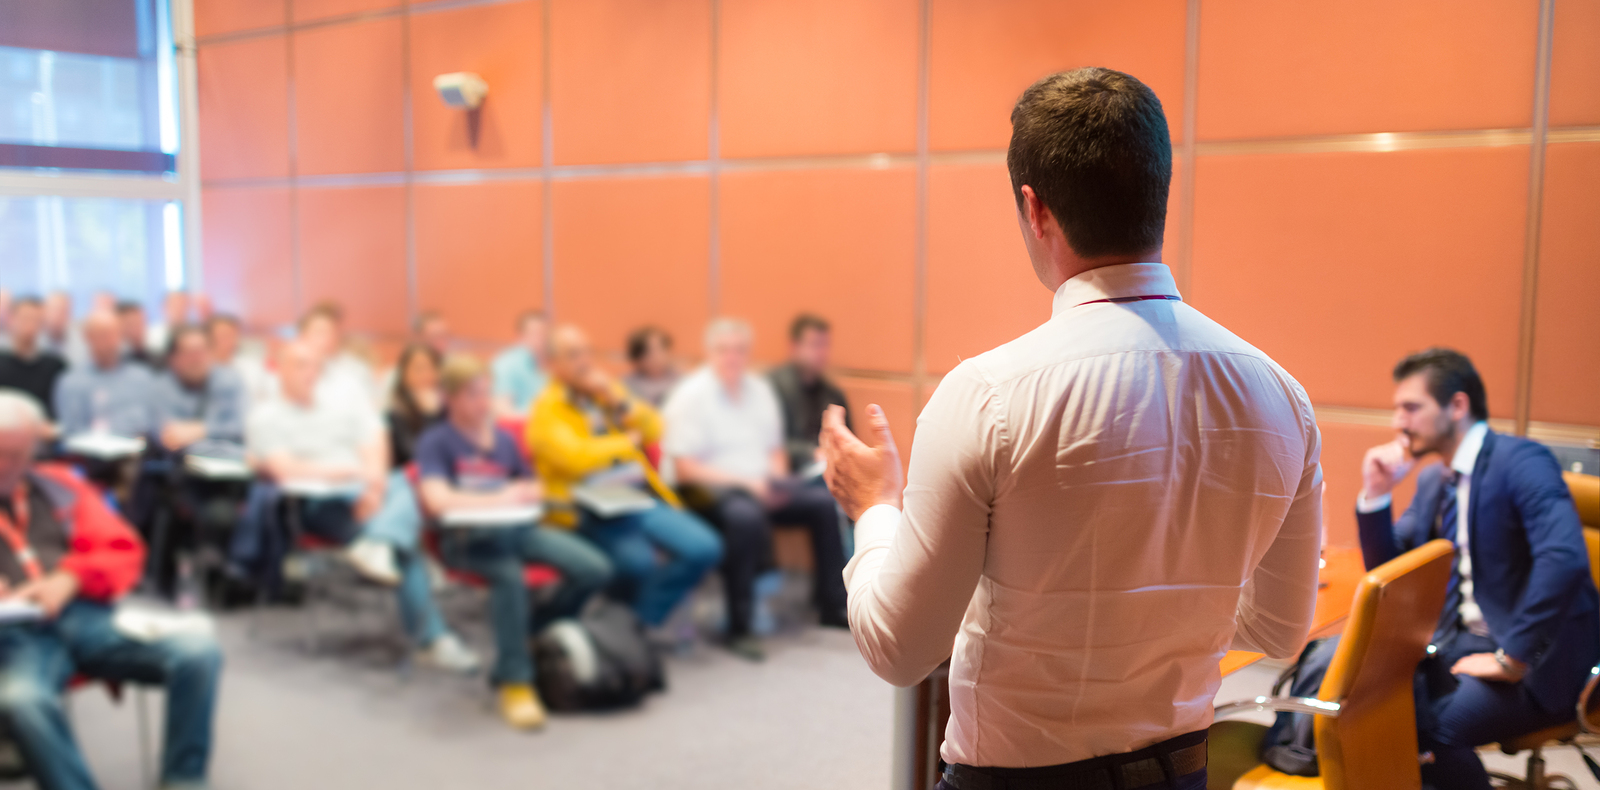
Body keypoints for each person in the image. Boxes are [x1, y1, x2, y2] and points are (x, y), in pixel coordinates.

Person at [819, 68, 1322, 790]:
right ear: (1159, 192)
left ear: (1036, 208)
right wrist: (1159, 627)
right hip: (1181, 773)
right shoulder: (1282, 396)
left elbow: (898, 650)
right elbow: (1279, 628)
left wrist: (874, 509)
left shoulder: (986, 396)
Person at [1355, 349, 1598, 790]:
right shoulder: (1435, 480)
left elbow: (1563, 558)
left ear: (1457, 406)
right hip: (1463, 640)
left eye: (1411, 407)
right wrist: (1376, 494)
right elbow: (1391, 573)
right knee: (1375, 700)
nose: (1398, 423)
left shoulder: (1521, 461)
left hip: (1541, 655)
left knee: (1438, 729)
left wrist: (1513, 658)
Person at [0, 389, 223, 790]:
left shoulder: (59, 486)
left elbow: (123, 550)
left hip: (83, 615)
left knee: (198, 652)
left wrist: (71, 577)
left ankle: (183, 779)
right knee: (22, 701)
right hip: (15, 636)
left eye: (16, 455)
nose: (5, 465)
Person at [417, 355, 612, 730]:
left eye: (485, 393)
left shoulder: (504, 439)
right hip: (467, 540)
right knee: (509, 578)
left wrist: (527, 491)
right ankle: (515, 681)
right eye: (473, 395)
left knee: (594, 569)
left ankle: (527, 637)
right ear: (450, 399)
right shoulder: (437, 441)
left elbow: (532, 484)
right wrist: (502, 497)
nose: (482, 402)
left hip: (517, 531)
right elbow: (437, 500)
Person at [662, 318, 849, 661]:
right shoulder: (691, 396)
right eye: (724, 350)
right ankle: (740, 625)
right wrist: (750, 485)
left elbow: (774, 449)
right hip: (706, 490)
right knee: (745, 517)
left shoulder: (759, 391)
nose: (732, 357)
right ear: (710, 353)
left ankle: (833, 604)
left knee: (822, 503)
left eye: (739, 350)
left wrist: (776, 480)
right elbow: (685, 468)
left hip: (758, 483)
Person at [528, 325, 721, 634]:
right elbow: (576, 458)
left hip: (634, 496)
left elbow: (656, 428)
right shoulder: (547, 409)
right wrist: (626, 443)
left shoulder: (607, 392)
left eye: (588, 352)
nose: (585, 362)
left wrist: (617, 402)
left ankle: (636, 622)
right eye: (574, 355)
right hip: (587, 508)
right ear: (553, 364)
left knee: (704, 547)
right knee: (638, 564)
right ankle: (618, 628)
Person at [345, 343, 482, 673]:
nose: (424, 375)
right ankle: (433, 639)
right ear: (403, 375)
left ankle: (380, 540)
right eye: (417, 369)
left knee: (409, 494)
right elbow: (415, 457)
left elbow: (464, 454)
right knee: (410, 487)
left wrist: (438, 414)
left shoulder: (458, 409)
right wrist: (432, 417)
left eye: (430, 368)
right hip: (410, 493)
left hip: (453, 493)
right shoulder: (394, 413)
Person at [232, 341, 385, 589]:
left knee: (403, 482)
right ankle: (380, 542)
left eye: (316, 367)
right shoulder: (266, 415)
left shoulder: (334, 409)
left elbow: (367, 443)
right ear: (280, 369)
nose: (310, 373)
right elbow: (284, 468)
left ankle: (379, 543)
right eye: (301, 366)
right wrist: (348, 472)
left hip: (362, 494)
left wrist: (374, 488)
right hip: (313, 503)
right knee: (400, 536)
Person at [52, 311, 157, 439]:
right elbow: (72, 430)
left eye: (112, 334)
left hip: (139, 452)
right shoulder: (70, 382)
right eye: (100, 335)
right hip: (88, 454)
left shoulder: (142, 378)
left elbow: (154, 423)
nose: (107, 341)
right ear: (87, 337)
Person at [768, 314, 849, 475]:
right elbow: (763, 442)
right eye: (814, 345)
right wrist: (810, 453)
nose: (821, 352)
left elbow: (848, 441)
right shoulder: (771, 388)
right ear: (794, 347)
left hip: (825, 475)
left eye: (825, 345)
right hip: (786, 477)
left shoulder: (833, 395)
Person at [296, 302, 377, 406]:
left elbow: (370, 406)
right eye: (319, 332)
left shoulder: (356, 369)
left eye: (330, 332)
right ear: (303, 336)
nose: (325, 338)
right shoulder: (291, 369)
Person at [0, 297, 67, 423]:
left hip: (43, 435)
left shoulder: (55, 366)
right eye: (24, 318)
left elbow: (60, 411)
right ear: (11, 320)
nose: (29, 325)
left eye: (36, 320)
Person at [492, 310, 549, 420]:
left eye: (546, 333)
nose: (543, 339)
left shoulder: (554, 364)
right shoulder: (505, 364)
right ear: (519, 336)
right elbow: (502, 410)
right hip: (520, 430)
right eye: (537, 333)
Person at [622, 326, 679, 408]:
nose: (657, 357)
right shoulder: (626, 386)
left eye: (661, 349)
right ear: (637, 357)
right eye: (649, 352)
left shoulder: (680, 382)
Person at [39, 292, 87, 369]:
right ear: (43, 312)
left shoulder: (82, 340)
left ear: (70, 313)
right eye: (54, 310)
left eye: (63, 311)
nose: (58, 315)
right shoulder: (34, 339)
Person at [145, 291, 190, 361]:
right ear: (163, 307)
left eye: (183, 305)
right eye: (174, 305)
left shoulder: (193, 333)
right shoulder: (153, 334)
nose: (179, 309)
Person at [114, 301, 157, 368]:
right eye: (132, 324)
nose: (139, 328)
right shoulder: (113, 359)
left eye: (142, 322)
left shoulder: (156, 357)